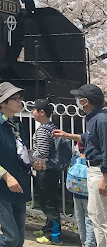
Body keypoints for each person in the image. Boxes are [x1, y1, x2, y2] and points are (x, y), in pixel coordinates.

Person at [0, 82, 46, 247]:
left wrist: (33, 160)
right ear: (2, 103)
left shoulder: (17, 123)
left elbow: (19, 151)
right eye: (15, 98)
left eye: (20, 97)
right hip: (0, 187)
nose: (20, 101)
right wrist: (7, 177)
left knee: (19, 240)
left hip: (19, 184)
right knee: (10, 238)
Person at [53, 84, 107, 247]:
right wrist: (67, 135)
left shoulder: (102, 120)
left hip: (99, 171)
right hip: (93, 170)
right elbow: (89, 138)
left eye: (79, 98)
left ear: (84, 101)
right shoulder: (94, 118)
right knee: (95, 214)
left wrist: (105, 178)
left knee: (101, 217)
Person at [29, 99, 62, 244]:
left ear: (41, 112)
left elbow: (42, 154)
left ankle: (53, 235)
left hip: (46, 170)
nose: (32, 112)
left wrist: (28, 155)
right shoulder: (51, 127)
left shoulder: (42, 130)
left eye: (34, 110)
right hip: (52, 169)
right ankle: (48, 228)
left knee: (48, 203)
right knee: (49, 201)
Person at [69, 144, 96, 247]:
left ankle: (83, 240)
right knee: (89, 219)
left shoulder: (75, 159)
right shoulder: (91, 161)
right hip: (88, 194)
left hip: (76, 193)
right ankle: (90, 243)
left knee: (79, 218)